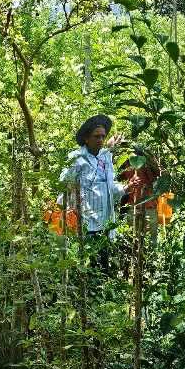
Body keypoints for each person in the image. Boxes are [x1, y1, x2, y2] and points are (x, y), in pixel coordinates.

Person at [59, 114, 138, 273]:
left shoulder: (106, 158)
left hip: (104, 223)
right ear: (86, 138)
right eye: (96, 136)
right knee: (84, 268)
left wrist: (125, 188)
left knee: (102, 269)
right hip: (84, 223)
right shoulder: (77, 157)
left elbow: (108, 187)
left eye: (103, 136)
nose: (100, 140)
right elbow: (63, 182)